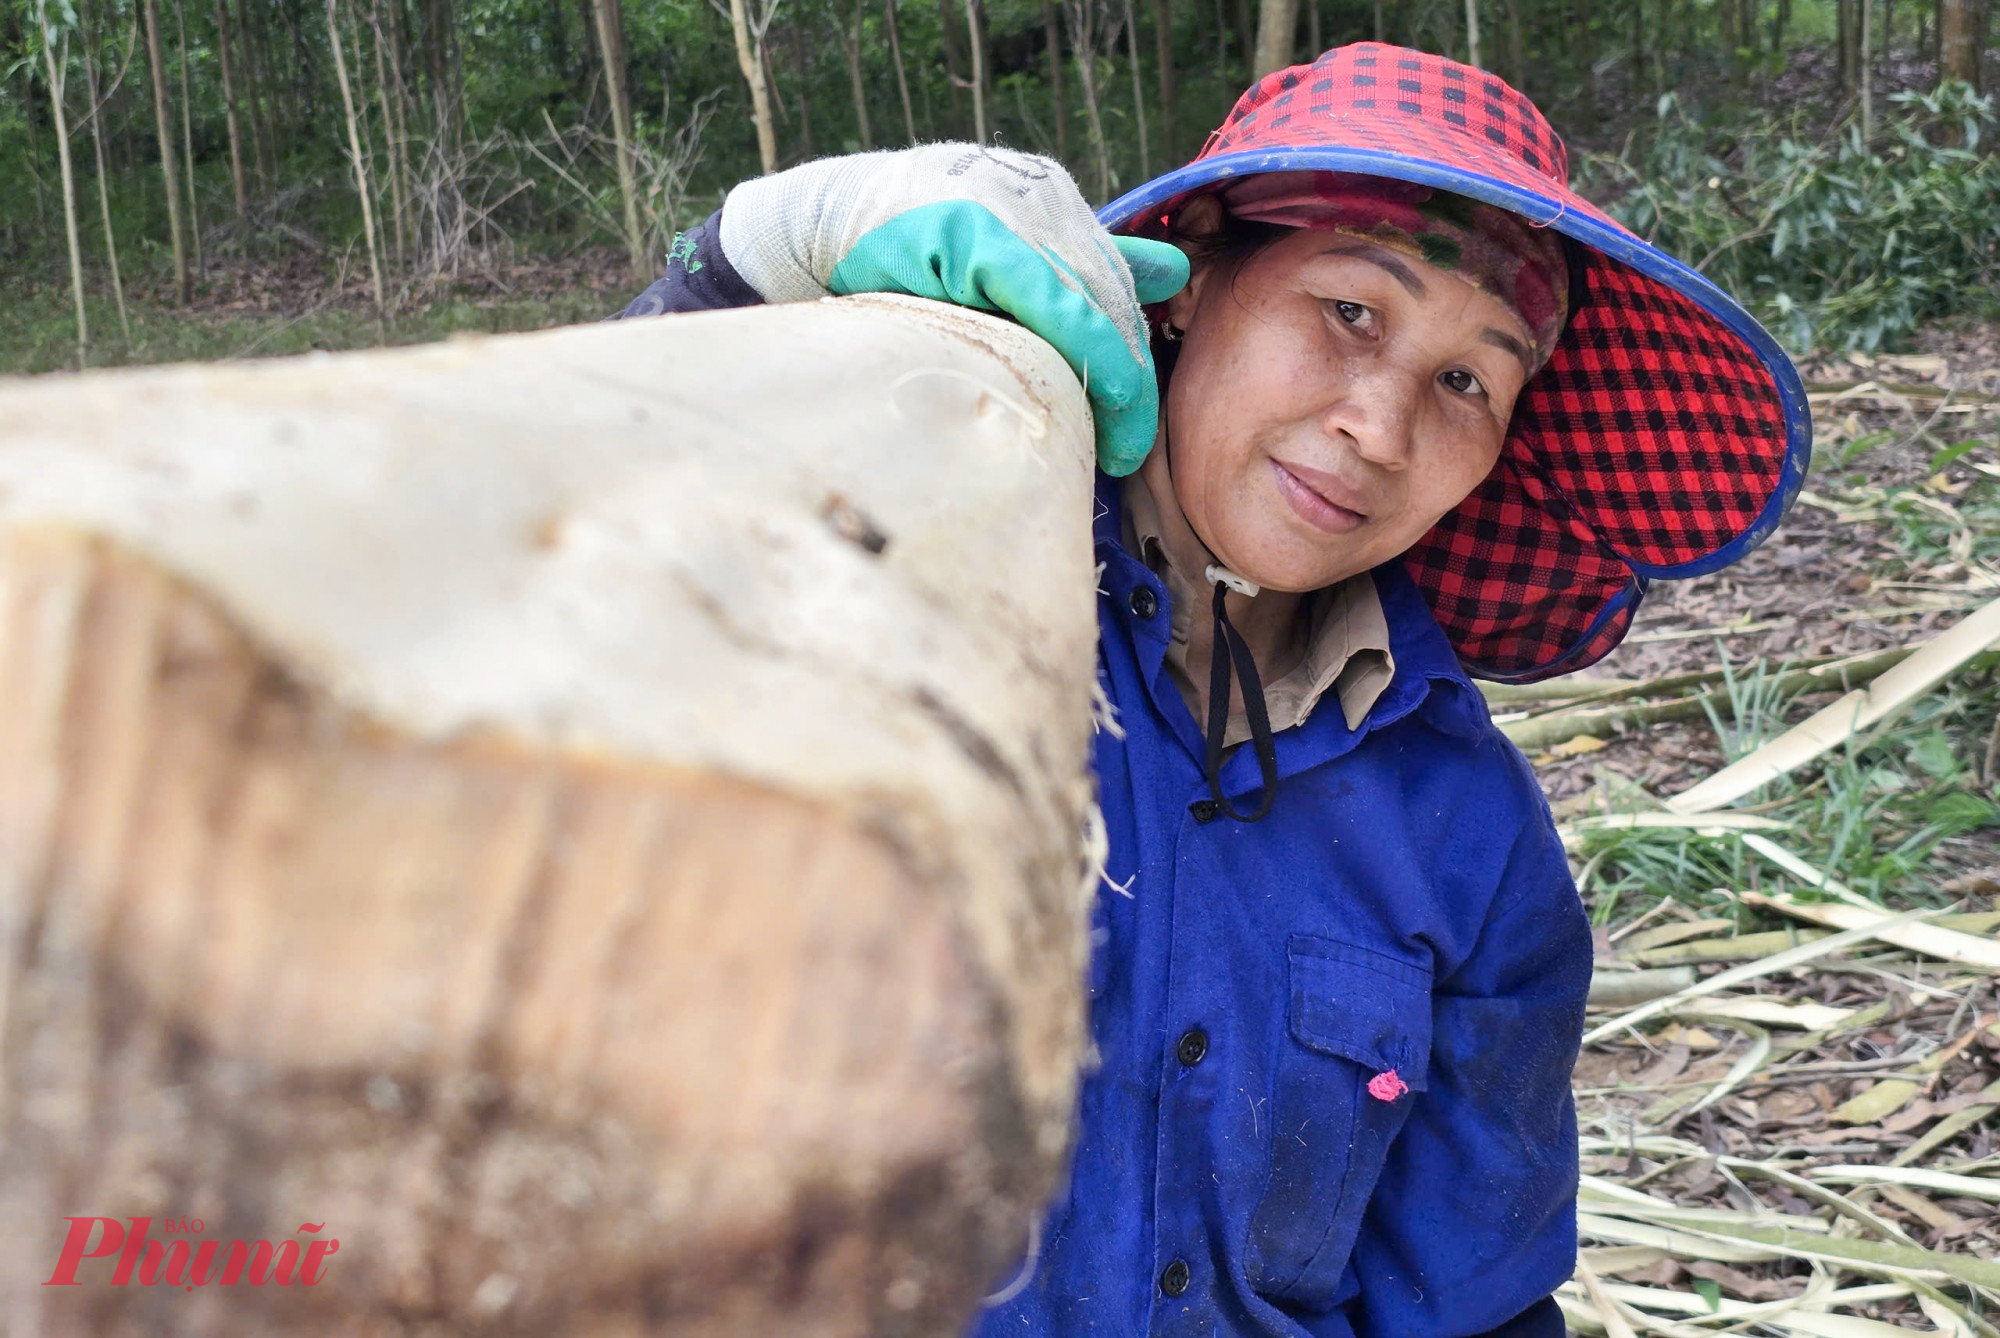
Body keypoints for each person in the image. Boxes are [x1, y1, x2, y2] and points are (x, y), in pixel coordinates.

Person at [616, 42, 1809, 1338]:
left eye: (1469, 378)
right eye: (1350, 310)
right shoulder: (906, 571)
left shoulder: (1470, 839)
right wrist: (744, 261)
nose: (1382, 425)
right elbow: (571, 578)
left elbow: (1470, 1305)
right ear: (1189, 281)